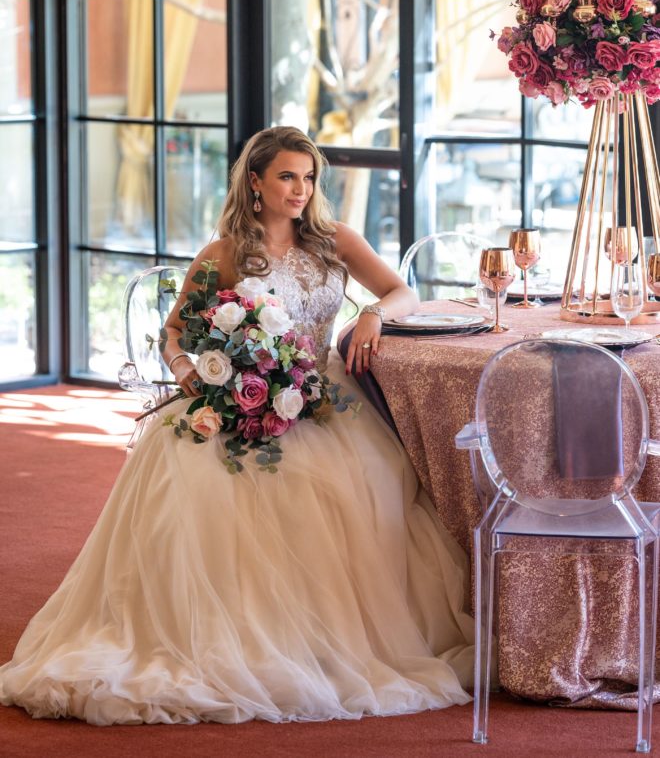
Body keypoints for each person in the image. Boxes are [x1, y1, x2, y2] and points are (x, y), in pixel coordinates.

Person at [0, 126, 474, 725]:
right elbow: (175, 330)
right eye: (286, 177)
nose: (301, 190)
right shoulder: (225, 253)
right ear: (255, 181)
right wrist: (187, 372)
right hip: (237, 403)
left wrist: (376, 313)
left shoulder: (334, 241)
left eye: (308, 178)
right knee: (210, 486)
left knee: (374, 482)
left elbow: (405, 291)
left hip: (322, 399)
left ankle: (322, 637)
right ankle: (236, 637)